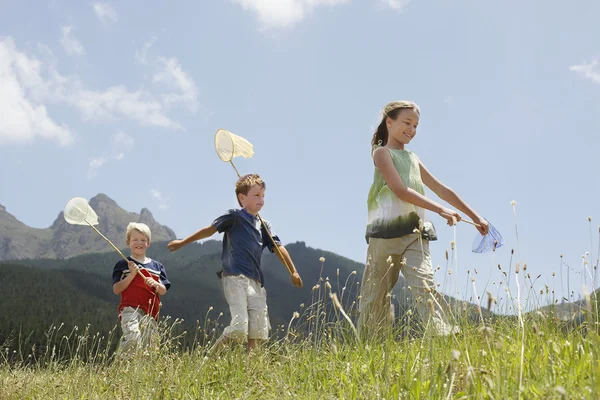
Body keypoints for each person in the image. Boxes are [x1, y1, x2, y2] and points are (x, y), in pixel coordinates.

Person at [358, 100, 489, 338]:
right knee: (375, 297)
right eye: (407, 122)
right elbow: (400, 190)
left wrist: (475, 216)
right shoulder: (381, 153)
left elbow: (442, 189)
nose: (412, 129)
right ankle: (370, 347)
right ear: (389, 121)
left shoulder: (413, 159)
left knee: (424, 285)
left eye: (416, 125)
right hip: (383, 236)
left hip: (414, 234)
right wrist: (441, 210)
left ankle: (443, 336)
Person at [167, 173, 303, 352]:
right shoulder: (234, 217)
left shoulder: (265, 226)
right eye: (256, 195)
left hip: (256, 282)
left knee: (257, 334)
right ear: (242, 198)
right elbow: (209, 230)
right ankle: (211, 357)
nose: (261, 200)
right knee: (239, 328)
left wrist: (292, 271)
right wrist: (183, 242)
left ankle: (250, 375)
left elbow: (278, 248)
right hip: (235, 276)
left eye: (263, 195)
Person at [112, 222, 170, 355]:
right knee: (133, 337)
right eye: (135, 240)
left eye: (143, 240)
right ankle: (122, 367)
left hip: (150, 312)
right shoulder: (123, 264)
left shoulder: (157, 267)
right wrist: (132, 275)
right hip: (129, 308)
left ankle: (142, 372)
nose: (139, 243)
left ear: (148, 243)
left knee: (149, 347)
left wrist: (156, 285)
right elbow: (116, 289)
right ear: (128, 242)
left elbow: (163, 290)